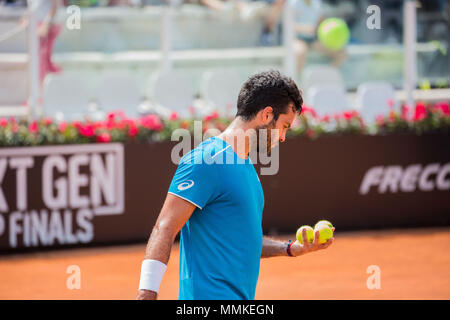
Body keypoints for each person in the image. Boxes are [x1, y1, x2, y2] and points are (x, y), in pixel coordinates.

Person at [136, 70, 335, 300]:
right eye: (285, 126)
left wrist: (291, 249)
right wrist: (146, 294)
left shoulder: (248, 169)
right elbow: (165, 227)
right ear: (267, 114)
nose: (283, 137)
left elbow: (244, 241)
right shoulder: (206, 159)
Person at [290, 0, 347, 73]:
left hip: (313, 40)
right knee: (300, 53)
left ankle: (326, 77)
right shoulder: (294, 3)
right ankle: (297, 83)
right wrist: (305, 29)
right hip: (298, 39)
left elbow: (321, 22)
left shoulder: (317, 3)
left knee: (341, 53)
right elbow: (288, 26)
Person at [26, 0, 63, 83]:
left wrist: (45, 25)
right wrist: (26, 17)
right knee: (42, 60)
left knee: (40, 60)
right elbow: (35, 7)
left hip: (47, 25)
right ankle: (41, 89)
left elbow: (55, 5)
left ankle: (39, 91)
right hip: (39, 24)